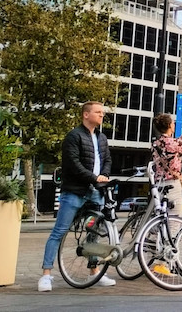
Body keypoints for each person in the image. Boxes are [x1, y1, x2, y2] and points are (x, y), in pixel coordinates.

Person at [38, 102, 115, 292]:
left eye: (102, 113)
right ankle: (46, 275)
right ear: (86, 115)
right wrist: (93, 177)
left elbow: (107, 160)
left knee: (93, 234)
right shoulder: (74, 136)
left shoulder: (102, 138)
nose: (101, 115)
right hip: (75, 191)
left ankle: (94, 272)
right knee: (59, 231)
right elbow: (73, 163)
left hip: (96, 191)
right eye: (98, 112)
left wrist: (102, 178)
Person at [151, 112, 182, 217]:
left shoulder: (157, 142)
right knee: (174, 218)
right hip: (172, 183)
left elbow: (171, 149)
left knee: (162, 216)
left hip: (159, 184)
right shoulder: (172, 143)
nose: (174, 125)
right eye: (173, 123)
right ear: (169, 126)